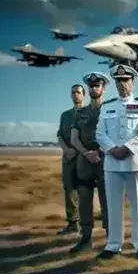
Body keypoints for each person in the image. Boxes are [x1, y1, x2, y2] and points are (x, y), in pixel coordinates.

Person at [95, 64, 138, 260]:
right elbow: (100, 133)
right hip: (111, 164)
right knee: (113, 205)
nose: (122, 84)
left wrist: (126, 148)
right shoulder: (107, 107)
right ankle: (113, 245)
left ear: (133, 83)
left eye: (125, 80)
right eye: (118, 81)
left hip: (134, 162)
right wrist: (112, 149)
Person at [69, 72, 110, 254]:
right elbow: (74, 138)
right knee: (84, 199)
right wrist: (86, 153)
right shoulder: (81, 113)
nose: (94, 88)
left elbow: (116, 136)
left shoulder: (110, 110)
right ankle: (86, 238)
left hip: (105, 160)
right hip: (84, 161)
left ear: (103, 88)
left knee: (107, 200)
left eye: (97, 85)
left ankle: (111, 240)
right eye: (91, 86)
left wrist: (100, 152)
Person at [56, 84, 85, 235]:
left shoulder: (89, 113)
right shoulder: (65, 115)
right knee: (69, 189)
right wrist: (66, 149)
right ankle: (73, 223)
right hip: (68, 158)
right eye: (73, 92)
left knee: (84, 190)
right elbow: (60, 135)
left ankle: (87, 224)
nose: (76, 95)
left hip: (84, 158)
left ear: (83, 95)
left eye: (78, 92)